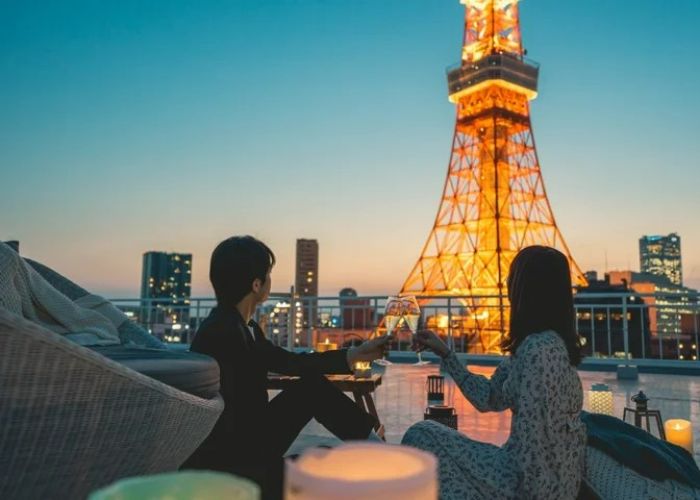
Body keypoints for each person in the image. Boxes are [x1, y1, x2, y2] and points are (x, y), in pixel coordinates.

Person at [181, 236, 390, 499]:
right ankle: (378, 452)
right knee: (329, 463)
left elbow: (288, 362)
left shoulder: (237, 327)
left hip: (246, 438)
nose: (270, 280)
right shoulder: (226, 332)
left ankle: (375, 449)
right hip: (235, 461)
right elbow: (290, 363)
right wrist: (354, 355)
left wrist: (354, 354)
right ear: (256, 284)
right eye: (268, 274)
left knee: (311, 388)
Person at [403, 246, 586, 500]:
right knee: (427, 436)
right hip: (549, 481)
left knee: (421, 435)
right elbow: (489, 397)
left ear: (527, 289)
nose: (507, 282)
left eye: (513, 276)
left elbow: (536, 449)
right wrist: (446, 353)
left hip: (527, 486)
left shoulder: (537, 351)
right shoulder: (544, 344)